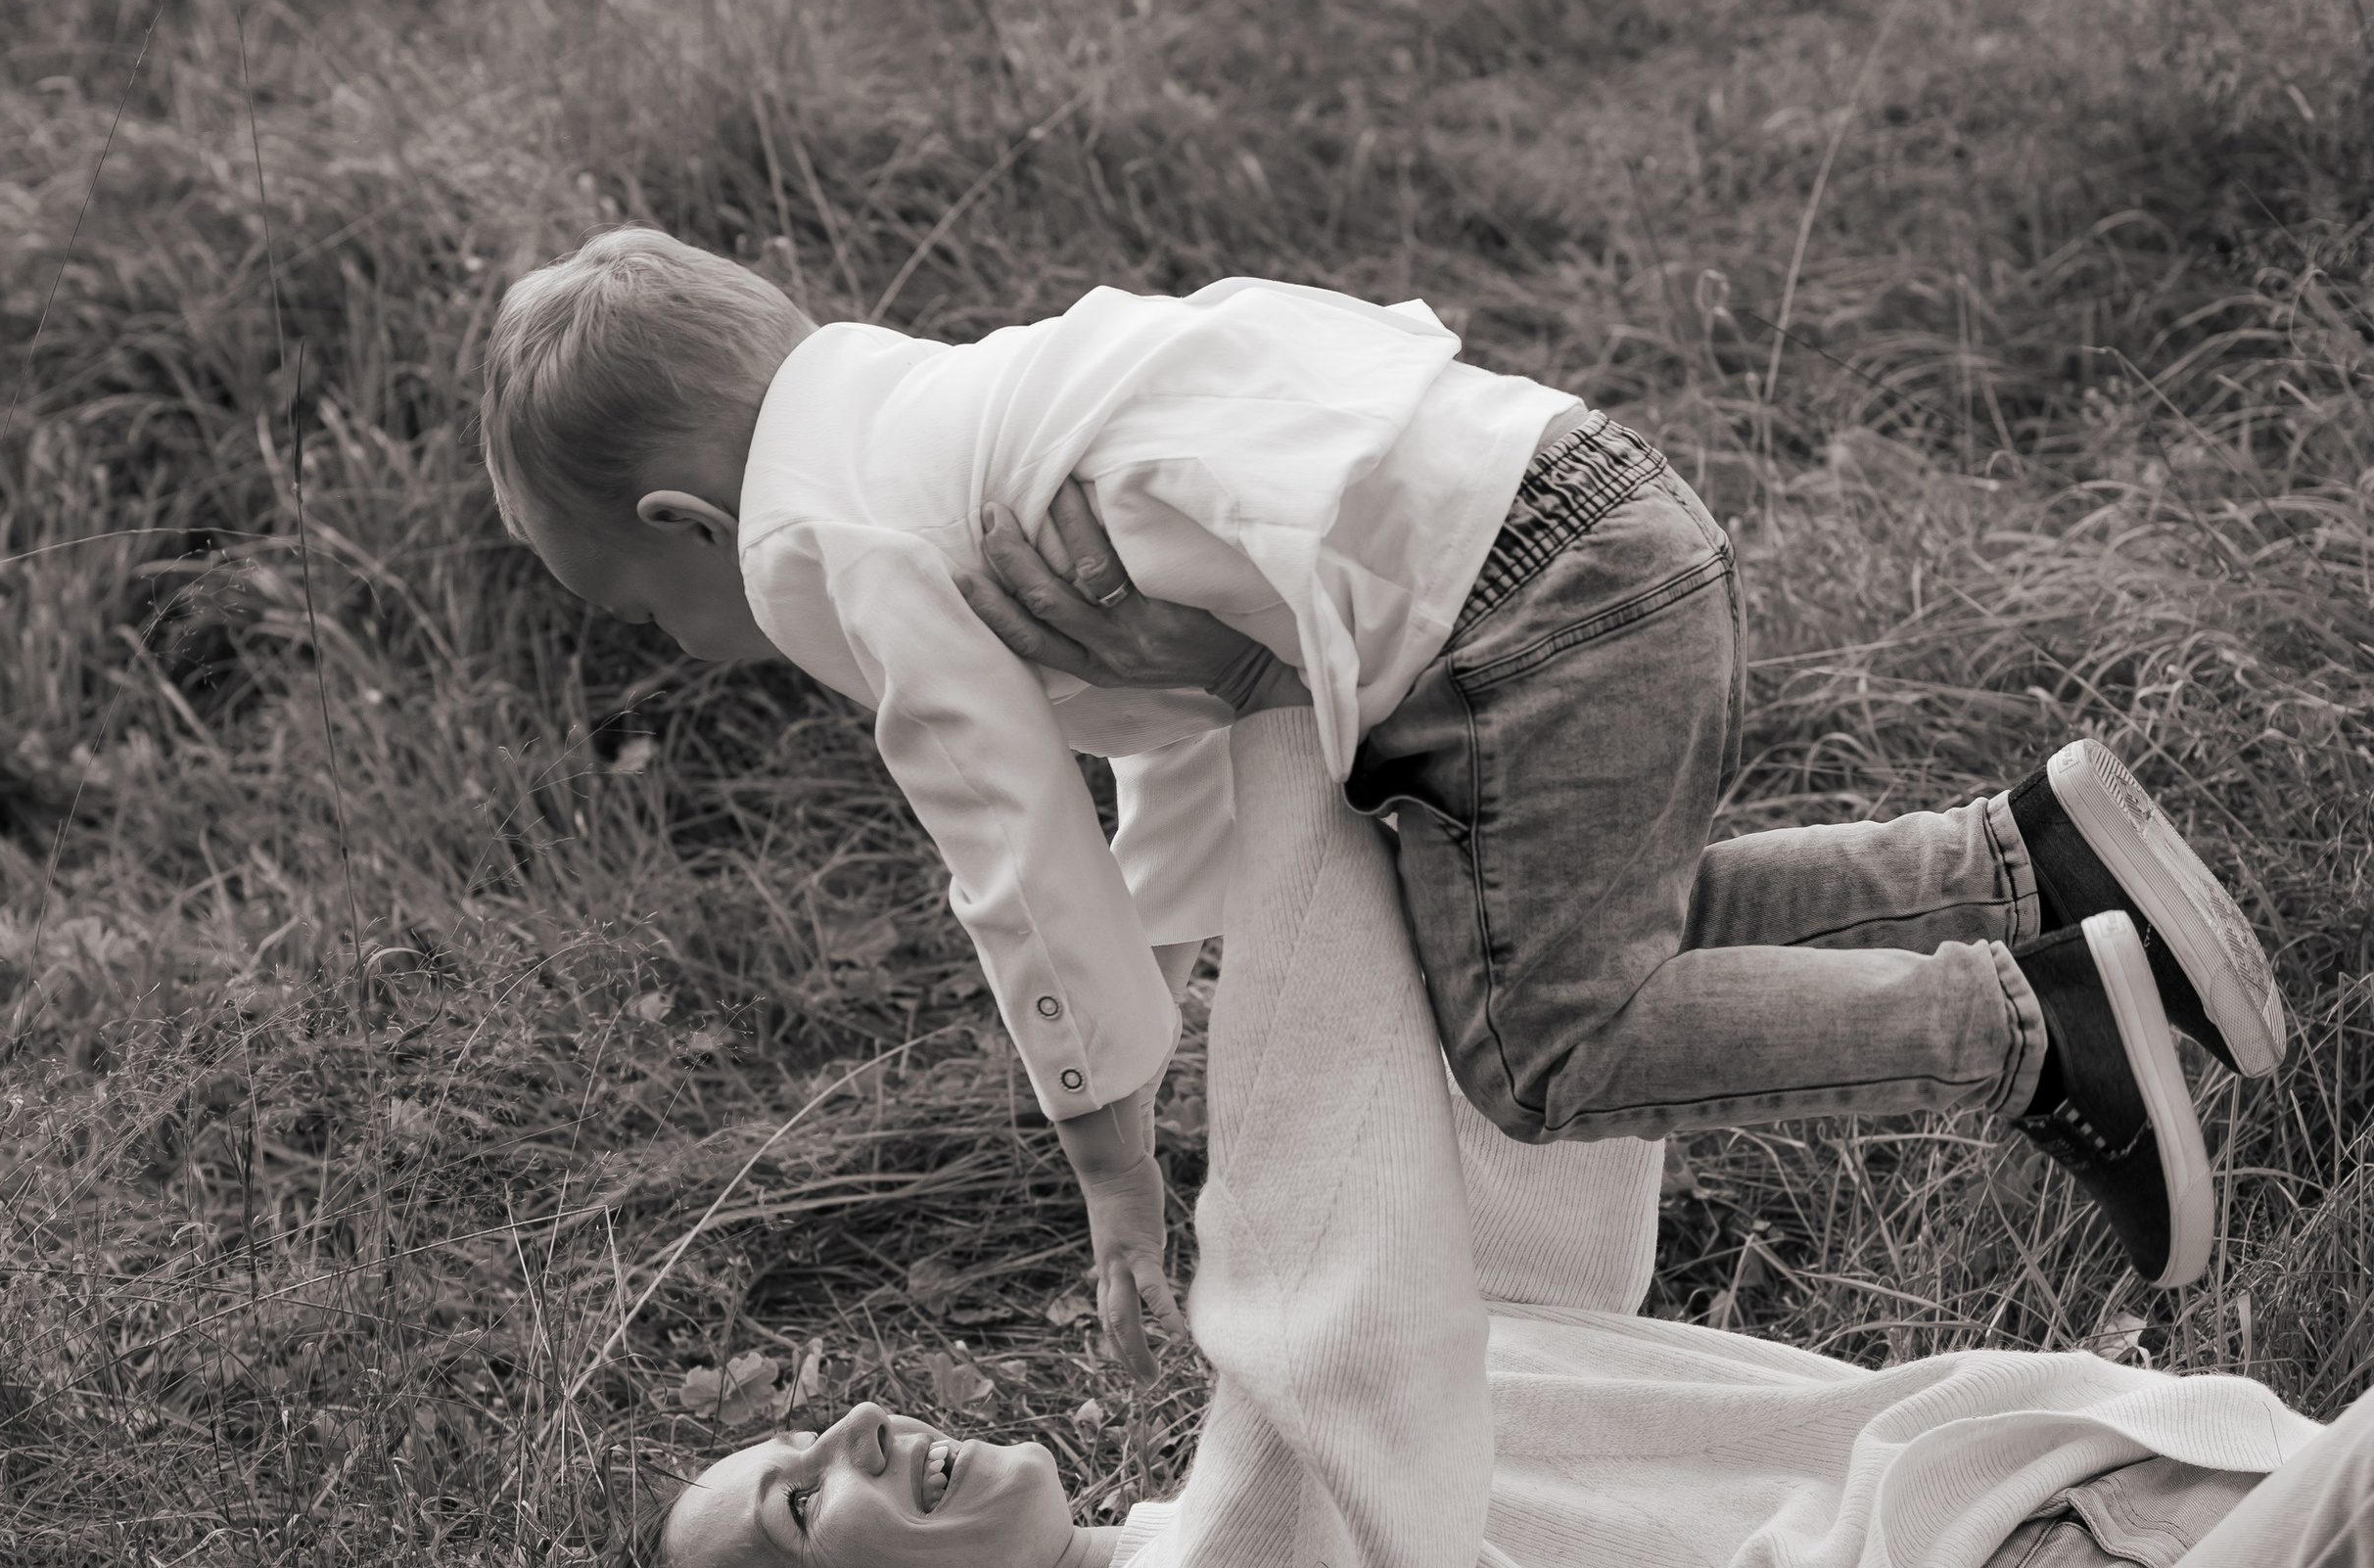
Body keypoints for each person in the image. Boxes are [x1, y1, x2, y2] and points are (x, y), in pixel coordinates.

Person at [617, 697, 2369, 1568]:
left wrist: (1362, 645)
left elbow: (1510, 1035)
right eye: (802, 1497)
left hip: (2171, 1512)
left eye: (806, 1434)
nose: (857, 1425)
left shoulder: (1303, 1477)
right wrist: (1266, 693)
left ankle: (2017, 882)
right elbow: (1315, 1236)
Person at [483, 231, 2286, 1357]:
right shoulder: (945, 418)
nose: (683, 647)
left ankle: (2028, 1037)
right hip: (1589, 502)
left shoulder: (811, 544)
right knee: (1569, 932)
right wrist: (1165, 980)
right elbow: (1163, 740)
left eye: (642, 616)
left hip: (1510, 620)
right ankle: (2025, 865)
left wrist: (1108, 1154)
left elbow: (1004, 832)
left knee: (1547, 1051)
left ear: (687, 526)